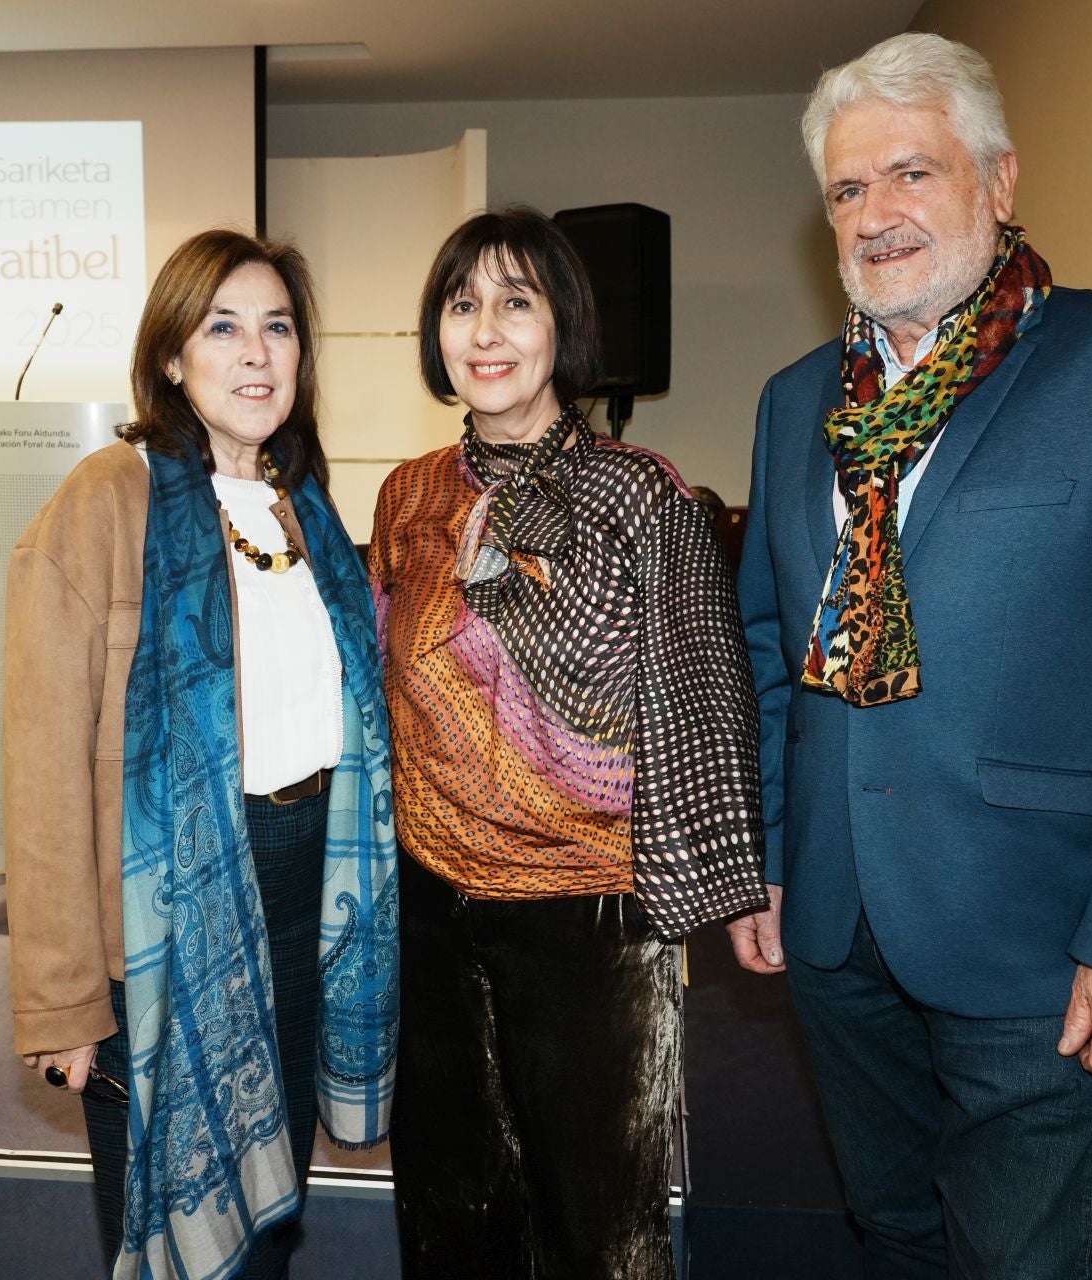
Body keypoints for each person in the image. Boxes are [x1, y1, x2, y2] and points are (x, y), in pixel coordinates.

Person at [731, 32, 1092, 1275]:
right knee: (896, 1231)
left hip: (1046, 946)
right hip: (835, 930)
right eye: (849, 190)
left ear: (1001, 181)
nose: (877, 215)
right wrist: (772, 849)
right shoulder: (791, 400)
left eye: (911, 172)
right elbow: (770, 640)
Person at [370, 206, 768, 1279]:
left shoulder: (640, 492)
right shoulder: (407, 494)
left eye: (515, 301)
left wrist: (730, 889)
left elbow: (702, 694)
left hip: (588, 915)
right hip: (430, 908)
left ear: (563, 328)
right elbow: (381, 695)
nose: (485, 329)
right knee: (452, 1211)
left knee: (598, 1229)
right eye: (462, 304)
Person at [3, 229, 398, 1280]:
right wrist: (63, 995)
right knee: (182, 1234)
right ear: (172, 356)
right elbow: (41, 763)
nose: (256, 352)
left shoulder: (300, 502)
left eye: (277, 326)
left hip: (309, 897)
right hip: (165, 926)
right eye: (222, 326)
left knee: (270, 1219)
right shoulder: (107, 497)